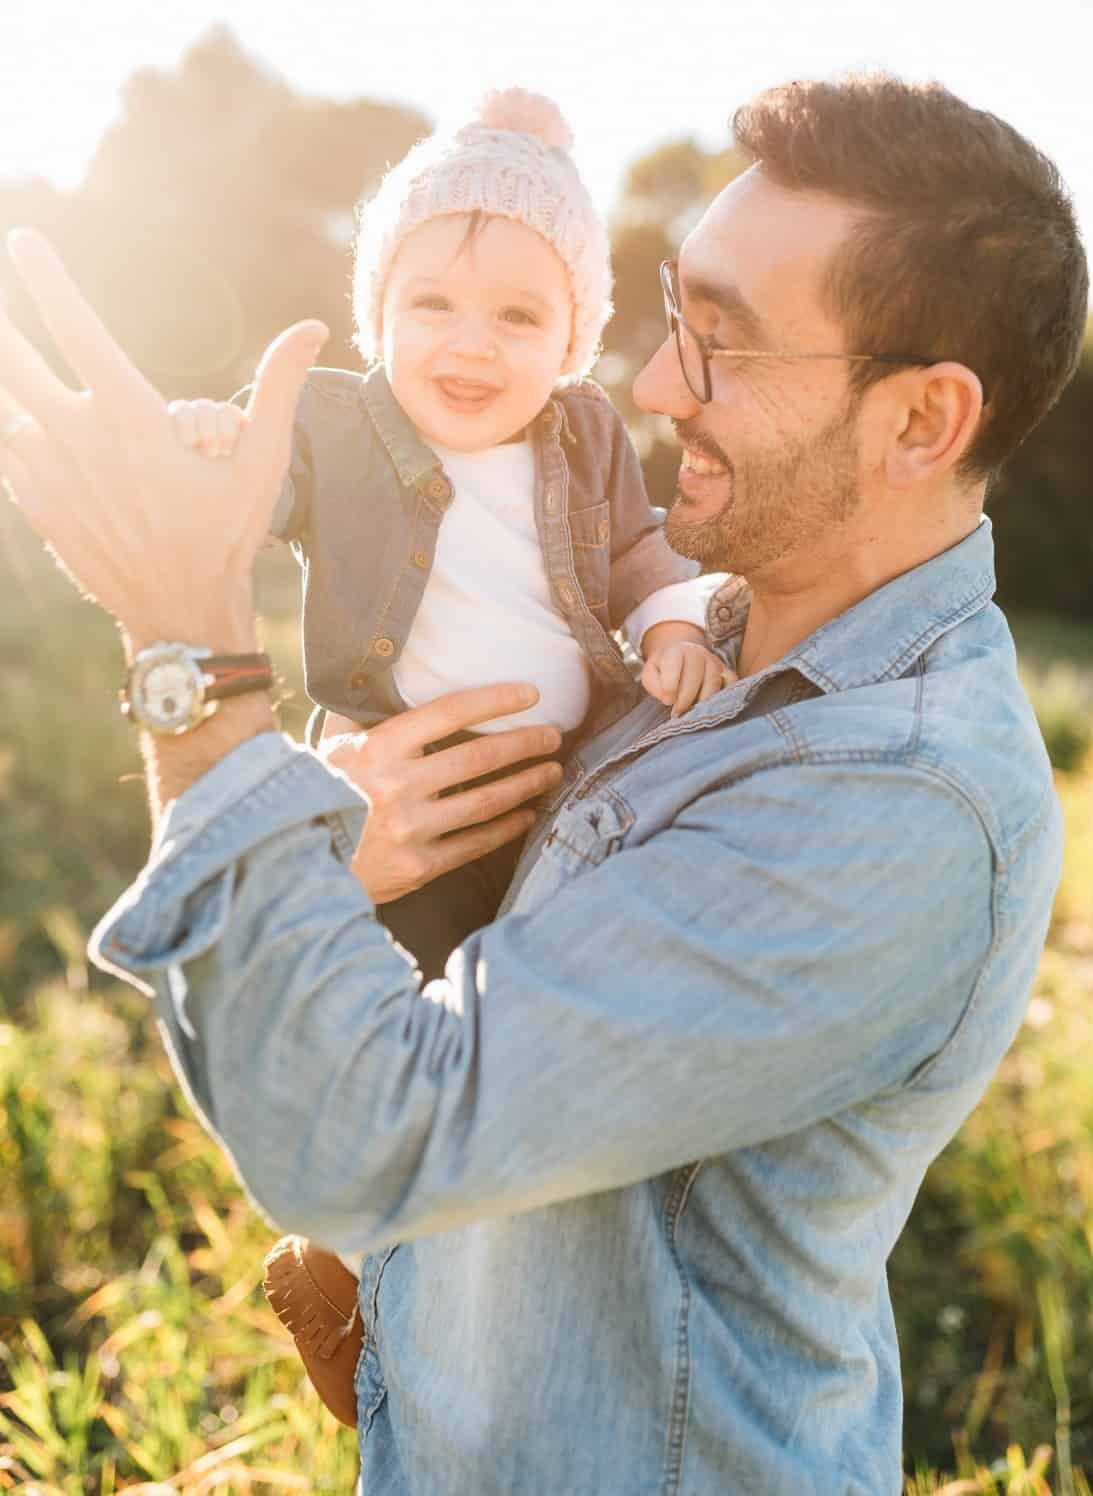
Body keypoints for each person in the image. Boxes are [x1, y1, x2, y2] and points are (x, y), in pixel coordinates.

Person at [0, 71, 1088, 1495]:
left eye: (722, 344)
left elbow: (376, 1131)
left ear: (923, 422)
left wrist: (186, 641)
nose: (646, 384)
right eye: (670, 317)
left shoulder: (896, 796)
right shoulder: (713, 636)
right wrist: (337, 855)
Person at [163, 87, 731, 1411]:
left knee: (526, 1060)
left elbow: (647, 554)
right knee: (392, 1047)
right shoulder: (342, 427)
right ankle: (344, 1269)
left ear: (574, 338)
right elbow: (251, 479)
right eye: (432, 307)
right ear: (379, 317)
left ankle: (493, 1310)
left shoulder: (585, 435)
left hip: (553, 811)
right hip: (404, 809)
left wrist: (670, 621)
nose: (471, 346)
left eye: (520, 317)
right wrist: (211, 445)